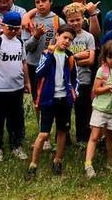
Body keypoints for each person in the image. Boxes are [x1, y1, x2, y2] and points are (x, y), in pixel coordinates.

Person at [0, 11, 31, 163]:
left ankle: (16, 145)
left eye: (17, 28)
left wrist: (27, 82)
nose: (14, 31)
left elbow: (24, 63)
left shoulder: (20, 43)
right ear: (4, 26)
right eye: (10, 28)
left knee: (16, 119)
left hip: (16, 89)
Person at [27, 25, 77, 177]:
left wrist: (74, 92)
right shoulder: (46, 54)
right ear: (57, 36)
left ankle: (58, 161)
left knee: (62, 131)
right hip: (49, 100)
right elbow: (38, 73)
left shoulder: (70, 57)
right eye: (64, 37)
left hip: (64, 100)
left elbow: (75, 78)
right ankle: (33, 165)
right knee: (43, 134)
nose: (67, 41)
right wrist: (50, 54)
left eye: (70, 39)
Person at [83, 40, 112, 179]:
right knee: (95, 136)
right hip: (100, 108)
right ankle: (88, 164)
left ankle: (111, 160)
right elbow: (96, 89)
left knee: (111, 136)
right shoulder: (102, 70)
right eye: (110, 57)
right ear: (105, 57)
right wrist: (108, 87)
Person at [22, 0, 64, 103]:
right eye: (37, 2)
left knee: (51, 96)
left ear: (50, 2)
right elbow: (25, 48)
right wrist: (36, 36)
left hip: (51, 64)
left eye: (44, 0)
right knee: (36, 97)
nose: (40, 4)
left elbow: (64, 43)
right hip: (33, 65)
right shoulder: (29, 21)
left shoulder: (58, 21)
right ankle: (38, 119)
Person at [65, 3, 97, 146]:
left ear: (83, 19)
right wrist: (80, 55)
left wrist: (73, 57)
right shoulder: (64, 36)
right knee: (65, 111)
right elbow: (62, 59)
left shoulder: (88, 37)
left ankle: (82, 138)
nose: (75, 23)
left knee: (82, 111)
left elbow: (90, 60)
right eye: (72, 21)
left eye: (78, 19)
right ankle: (64, 138)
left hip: (83, 79)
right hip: (66, 80)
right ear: (67, 21)